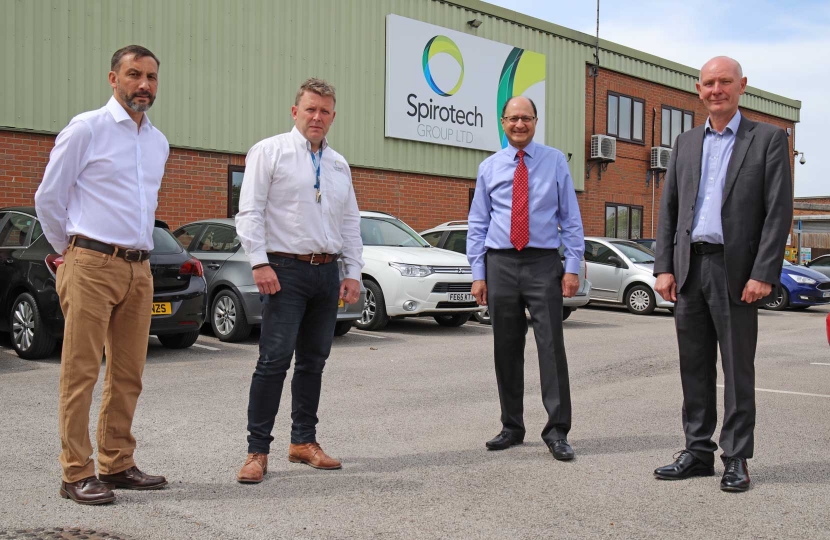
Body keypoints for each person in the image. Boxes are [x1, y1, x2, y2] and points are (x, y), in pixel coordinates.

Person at [34, 45, 170, 505]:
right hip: (91, 262)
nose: (143, 85)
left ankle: (116, 462)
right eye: (134, 75)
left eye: (151, 77)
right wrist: (68, 253)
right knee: (81, 373)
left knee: (129, 373)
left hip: (139, 267)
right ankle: (75, 472)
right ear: (113, 79)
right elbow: (48, 198)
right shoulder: (86, 129)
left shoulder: (158, 142)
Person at [653, 56, 793, 492]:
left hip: (736, 273)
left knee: (737, 368)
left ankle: (736, 457)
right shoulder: (686, 142)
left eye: (725, 82)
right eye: (709, 83)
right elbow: (669, 209)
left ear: (742, 86)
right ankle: (697, 451)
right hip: (690, 267)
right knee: (693, 366)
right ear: (699, 89)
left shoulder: (767, 139)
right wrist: (663, 267)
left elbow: (778, 212)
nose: (717, 90)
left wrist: (763, 272)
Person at [235, 78, 364, 484]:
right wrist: (259, 262)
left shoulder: (339, 164)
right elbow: (250, 211)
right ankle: (258, 452)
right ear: (296, 112)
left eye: (325, 111)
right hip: (284, 271)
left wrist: (352, 272)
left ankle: (303, 442)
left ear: (333, 116)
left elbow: (350, 223)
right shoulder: (269, 151)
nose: (317, 117)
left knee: (314, 362)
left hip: (327, 273)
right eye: (310, 109)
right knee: (273, 361)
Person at [467, 96, 584, 461]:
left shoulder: (555, 163)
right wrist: (478, 274)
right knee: (506, 347)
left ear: (536, 121)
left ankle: (557, 430)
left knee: (551, 347)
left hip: (542, 263)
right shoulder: (489, 167)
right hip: (500, 262)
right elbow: (478, 223)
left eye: (526, 118)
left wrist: (573, 266)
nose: (520, 124)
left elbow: (571, 218)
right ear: (503, 122)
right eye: (513, 118)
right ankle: (512, 426)